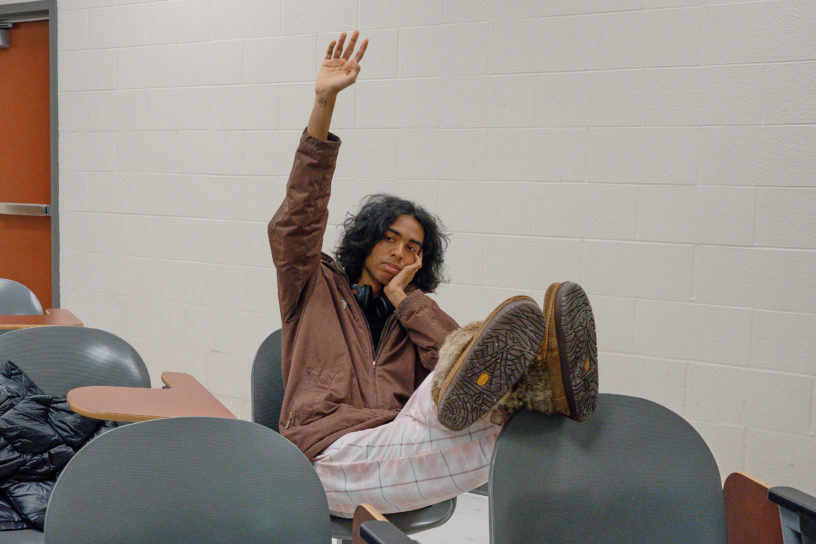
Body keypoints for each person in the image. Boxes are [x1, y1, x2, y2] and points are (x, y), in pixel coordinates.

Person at [268, 30, 599, 518]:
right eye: (390, 238)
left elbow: (458, 376)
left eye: (413, 247)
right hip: (325, 459)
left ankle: (544, 395)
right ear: (367, 237)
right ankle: (549, 393)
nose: (400, 252)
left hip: (401, 445)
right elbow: (298, 217)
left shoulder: (410, 314)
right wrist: (323, 106)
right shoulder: (311, 285)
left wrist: (408, 301)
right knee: (496, 415)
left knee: (460, 386)